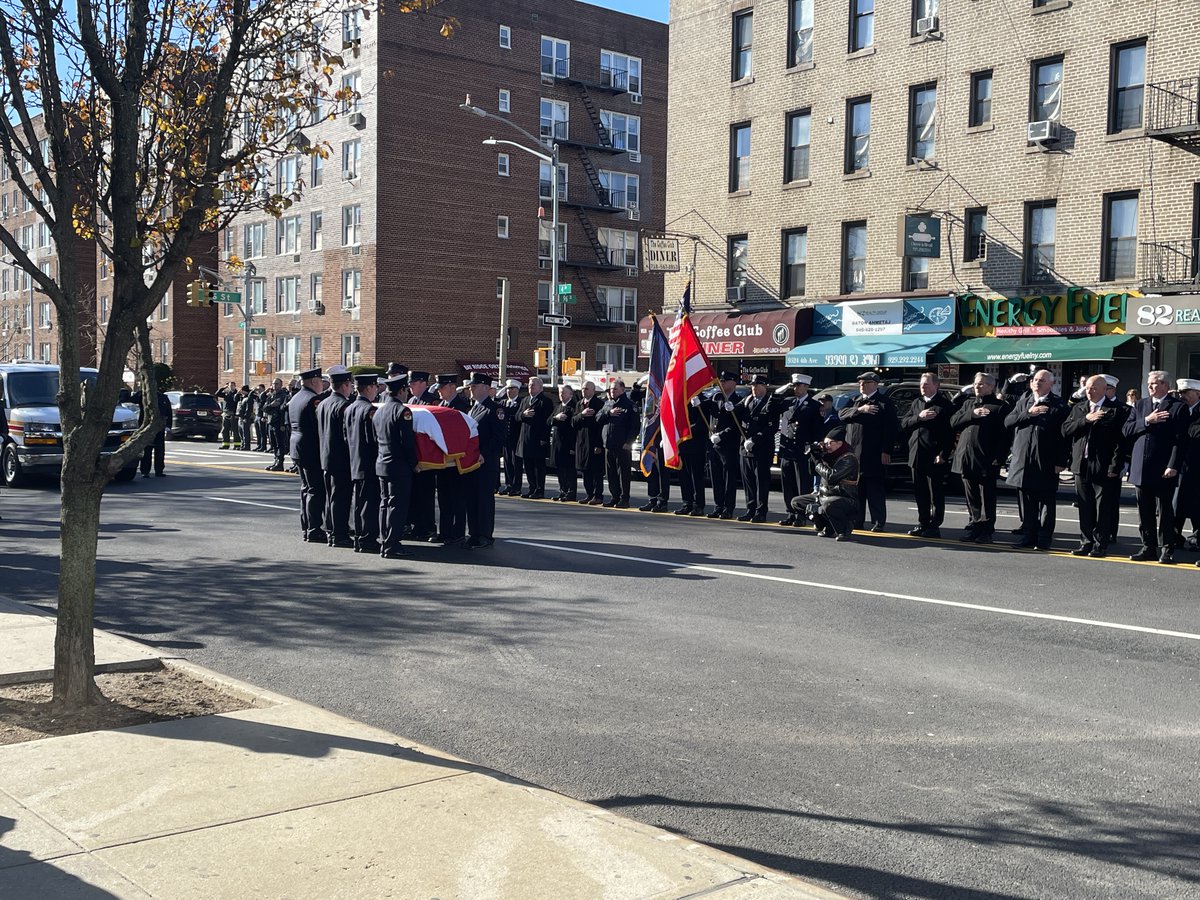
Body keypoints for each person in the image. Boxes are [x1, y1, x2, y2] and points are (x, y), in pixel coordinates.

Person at [1123, 370, 1187, 564]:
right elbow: (1127, 429)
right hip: (1141, 467)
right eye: (1149, 383)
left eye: (1154, 383)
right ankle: (1148, 547)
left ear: (1165, 385)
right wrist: (1146, 421)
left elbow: (1180, 440)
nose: (1150, 386)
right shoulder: (1141, 405)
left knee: (1165, 511)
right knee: (1145, 511)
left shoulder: (1178, 407)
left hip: (1163, 468)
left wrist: (1173, 465)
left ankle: (1167, 548)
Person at [1061, 374, 1127, 558]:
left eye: (1094, 388)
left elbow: (1120, 442)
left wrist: (1115, 467)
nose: (1090, 391)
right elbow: (1065, 430)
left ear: (1105, 389)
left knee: (1102, 507)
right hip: (1081, 464)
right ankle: (1086, 542)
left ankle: (1100, 544)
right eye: (1088, 388)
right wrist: (1086, 420)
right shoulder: (1080, 408)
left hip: (1103, 466)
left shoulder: (1116, 410)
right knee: (1084, 506)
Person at [1004, 369, 1069, 550]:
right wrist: (1028, 413)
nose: (1037, 383)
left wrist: (1061, 461)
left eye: (1042, 380)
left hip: (1046, 461)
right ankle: (1028, 536)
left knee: (1046, 502)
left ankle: (1044, 539)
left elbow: (1065, 436)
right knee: (1027, 502)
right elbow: (1008, 422)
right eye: (1035, 380)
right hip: (1023, 461)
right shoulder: (1024, 402)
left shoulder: (1059, 405)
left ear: (1051, 384)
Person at [950, 373, 1010, 544]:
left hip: (986, 459)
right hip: (966, 457)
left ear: (991, 386)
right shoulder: (969, 404)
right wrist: (972, 414)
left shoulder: (1000, 407)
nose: (977, 387)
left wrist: (999, 459)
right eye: (976, 383)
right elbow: (953, 422)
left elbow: (1005, 437)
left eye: (982, 384)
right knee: (972, 497)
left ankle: (987, 530)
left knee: (987, 498)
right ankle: (974, 526)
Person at [838, 371, 898, 532]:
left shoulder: (884, 403)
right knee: (856, 490)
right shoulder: (855, 400)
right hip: (854, 454)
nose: (862, 385)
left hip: (873, 453)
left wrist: (886, 450)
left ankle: (878, 521)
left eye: (866, 383)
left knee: (874, 489)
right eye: (860, 383)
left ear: (875, 384)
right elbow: (841, 414)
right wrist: (860, 410)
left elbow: (891, 429)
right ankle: (857, 520)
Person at [900, 371, 953, 538]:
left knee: (935, 493)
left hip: (934, 456)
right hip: (917, 454)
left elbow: (950, 433)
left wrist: (943, 454)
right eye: (921, 384)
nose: (923, 387)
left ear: (936, 385)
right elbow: (904, 423)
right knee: (920, 492)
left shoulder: (945, 405)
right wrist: (919, 417)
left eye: (926, 384)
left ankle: (934, 525)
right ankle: (923, 522)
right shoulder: (917, 403)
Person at [374, 373, 418, 559]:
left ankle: (385, 540)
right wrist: (414, 463)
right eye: (406, 390)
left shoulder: (379, 411)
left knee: (384, 504)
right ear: (401, 391)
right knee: (397, 506)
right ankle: (393, 544)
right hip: (399, 466)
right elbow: (407, 442)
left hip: (382, 463)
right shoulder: (403, 411)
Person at [793, 425, 859, 541]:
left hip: (844, 498)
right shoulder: (829, 456)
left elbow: (831, 477)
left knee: (828, 504)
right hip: (825, 495)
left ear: (839, 443)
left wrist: (818, 462)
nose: (826, 446)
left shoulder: (848, 458)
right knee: (797, 502)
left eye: (829, 443)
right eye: (825, 443)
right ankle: (827, 526)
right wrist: (814, 456)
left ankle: (844, 529)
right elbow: (813, 472)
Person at [776, 373, 824, 526]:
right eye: (794, 385)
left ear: (806, 386)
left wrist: (813, 446)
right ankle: (790, 513)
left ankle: (801, 515)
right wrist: (780, 391)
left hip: (802, 451)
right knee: (787, 483)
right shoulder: (788, 402)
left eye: (798, 385)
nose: (795, 388)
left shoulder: (814, 406)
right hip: (787, 449)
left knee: (801, 484)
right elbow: (772, 406)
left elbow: (818, 430)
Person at [288, 367, 328, 542]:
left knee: (306, 488)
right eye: (320, 381)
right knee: (315, 489)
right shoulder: (313, 399)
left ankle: (307, 526)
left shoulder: (296, 397)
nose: (322, 385)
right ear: (314, 381)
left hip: (297, 446)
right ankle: (314, 528)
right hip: (310, 448)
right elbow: (318, 427)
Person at [317, 365, 355, 548]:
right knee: (341, 498)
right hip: (341, 458)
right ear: (345, 385)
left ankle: (331, 530)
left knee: (331, 496)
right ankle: (339, 534)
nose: (352, 388)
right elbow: (348, 435)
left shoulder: (323, 403)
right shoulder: (344, 406)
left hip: (326, 457)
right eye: (350, 384)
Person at [466, 373, 505, 548]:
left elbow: (499, 437)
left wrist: (485, 454)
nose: (471, 389)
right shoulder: (473, 409)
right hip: (472, 461)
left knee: (484, 498)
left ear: (485, 387)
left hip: (486, 462)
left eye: (474, 386)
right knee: (472, 497)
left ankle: (485, 535)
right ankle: (474, 533)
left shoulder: (494, 409)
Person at [344, 373, 382, 554]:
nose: (377, 390)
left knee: (359, 502)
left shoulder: (350, 408)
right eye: (375, 387)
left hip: (355, 461)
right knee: (369, 503)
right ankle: (368, 539)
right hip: (369, 462)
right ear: (369, 388)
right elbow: (372, 439)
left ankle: (359, 537)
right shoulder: (369, 410)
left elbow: (345, 436)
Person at [736, 374, 779, 523]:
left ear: (764, 386)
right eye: (753, 385)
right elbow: (736, 414)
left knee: (761, 482)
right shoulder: (747, 400)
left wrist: (755, 439)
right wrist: (729, 408)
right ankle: (750, 509)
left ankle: (761, 512)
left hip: (762, 449)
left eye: (757, 385)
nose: (754, 388)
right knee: (748, 481)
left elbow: (772, 427)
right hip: (746, 448)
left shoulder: (770, 402)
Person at [432, 374, 469, 545]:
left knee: (457, 497)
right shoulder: (441, 405)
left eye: (442, 387)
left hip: (457, 460)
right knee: (444, 497)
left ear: (452, 387)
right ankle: (445, 531)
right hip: (443, 459)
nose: (439, 391)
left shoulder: (462, 406)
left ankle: (458, 532)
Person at [702, 371, 742, 520]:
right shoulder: (716, 397)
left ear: (733, 383)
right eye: (721, 381)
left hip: (728, 445)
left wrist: (721, 435)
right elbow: (707, 411)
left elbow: (737, 425)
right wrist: (697, 401)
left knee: (728, 478)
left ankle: (728, 508)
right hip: (714, 444)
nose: (722, 383)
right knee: (716, 477)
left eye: (725, 381)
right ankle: (718, 505)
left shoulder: (738, 401)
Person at [597, 378, 636, 508]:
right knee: (611, 474)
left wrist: (628, 442)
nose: (612, 391)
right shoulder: (608, 404)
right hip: (609, 444)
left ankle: (624, 499)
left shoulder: (629, 405)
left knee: (623, 474)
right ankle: (615, 497)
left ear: (623, 390)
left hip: (622, 445)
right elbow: (598, 418)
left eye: (615, 389)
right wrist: (609, 413)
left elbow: (634, 426)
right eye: (611, 389)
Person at [673, 387, 711, 517]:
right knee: (684, 476)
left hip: (696, 444)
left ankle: (698, 505)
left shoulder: (703, 401)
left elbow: (702, 424)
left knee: (696, 477)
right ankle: (687, 503)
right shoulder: (683, 401)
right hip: (683, 444)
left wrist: (684, 432)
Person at [1174, 378, 1200, 554]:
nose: (1182, 395)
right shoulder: (1178, 410)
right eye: (1180, 392)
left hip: (1197, 465)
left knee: (1197, 503)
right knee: (1177, 503)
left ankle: (1197, 538)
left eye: (1185, 392)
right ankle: (1175, 536)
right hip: (1179, 465)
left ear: (1198, 393)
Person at [517, 376, 553, 499]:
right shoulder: (525, 400)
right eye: (529, 385)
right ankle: (531, 488)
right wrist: (523, 414)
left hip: (537, 439)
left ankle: (539, 490)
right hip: (525, 439)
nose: (530, 387)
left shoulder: (545, 401)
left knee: (538, 467)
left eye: (533, 385)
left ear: (540, 387)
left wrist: (544, 439)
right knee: (528, 466)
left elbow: (547, 422)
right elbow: (517, 416)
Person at [574, 380, 606, 505]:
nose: (584, 391)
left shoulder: (599, 404)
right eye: (582, 389)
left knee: (596, 470)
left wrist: (599, 444)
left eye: (586, 389)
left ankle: (598, 495)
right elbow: (573, 421)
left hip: (594, 441)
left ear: (593, 390)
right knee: (584, 469)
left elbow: (601, 425)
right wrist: (581, 415)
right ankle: (589, 494)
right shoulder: (579, 404)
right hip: (581, 441)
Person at [639, 392, 671, 512]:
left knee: (662, 472)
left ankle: (662, 502)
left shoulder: (668, 397)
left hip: (663, 438)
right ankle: (652, 499)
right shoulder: (652, 395)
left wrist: (666, 437)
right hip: (651, 439)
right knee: (652, 470)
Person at [130, 386, 172, 478]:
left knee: (160, 451)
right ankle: (145, 471)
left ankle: (159, 471)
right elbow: (132, 400)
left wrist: (168, 427)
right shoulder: (144, 395)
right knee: (147, 451)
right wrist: (141, 391)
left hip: (159, 428)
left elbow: (169, 412)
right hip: (147, 428)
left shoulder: (163, 398)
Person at [551, 383, 579, 501]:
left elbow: (574, 425)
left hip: (568, 442)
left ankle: (571, 492)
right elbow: (549, 421)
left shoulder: (574, 407)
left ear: (570, 394)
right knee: (560, 468)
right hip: (557, 443)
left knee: (569, 469)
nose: (561, 395)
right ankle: (563, 490)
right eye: (560, 392)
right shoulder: (558, 407)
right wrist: (556, 418)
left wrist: (573, 446)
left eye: (563, 392)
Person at [499, 379, 524, 496]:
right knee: (507, 462)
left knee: (516, 463)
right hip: (506, 438)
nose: (509, 391)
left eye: (512, 389)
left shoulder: (521, 403)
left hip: (516, 438)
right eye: (508, 389)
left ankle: (516, 487)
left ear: (517, 390)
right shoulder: (503, 403)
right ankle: (508, 485)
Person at [262, 378, 290, 472]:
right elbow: (264, 408)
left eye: (277, 384)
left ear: (281, 385)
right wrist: (271, 405)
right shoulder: (271, 395)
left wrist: (283, 424)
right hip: (271, 422)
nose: (275, 385)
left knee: (279, 444)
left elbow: (283, 411)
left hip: (278, 423)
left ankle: (280, 463)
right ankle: (275, 461)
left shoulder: (283, 396)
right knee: (273, 443)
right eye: (273, 384)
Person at [217, 380, 240, 449]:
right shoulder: (227, 393)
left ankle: (237, 445)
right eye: (230, 386)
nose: (231, 387)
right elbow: (217, 394)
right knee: (225, 430)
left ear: (235, 386)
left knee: (235, 431)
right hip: (226, 413)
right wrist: (223, 388)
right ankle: (225, 444)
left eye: (232, 385)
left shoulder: (237, 394)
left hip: (233, 414)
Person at [236, 385, 255, 451]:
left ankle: (246, 446)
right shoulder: (242, 398)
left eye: (242, 390)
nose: (241, 391)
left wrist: (246, 417)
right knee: (241, 432)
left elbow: (248, 409)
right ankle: (242, 445)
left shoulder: (248, 398)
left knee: (245, 433)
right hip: (240, 417)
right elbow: (235, 399)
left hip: (245, 418)